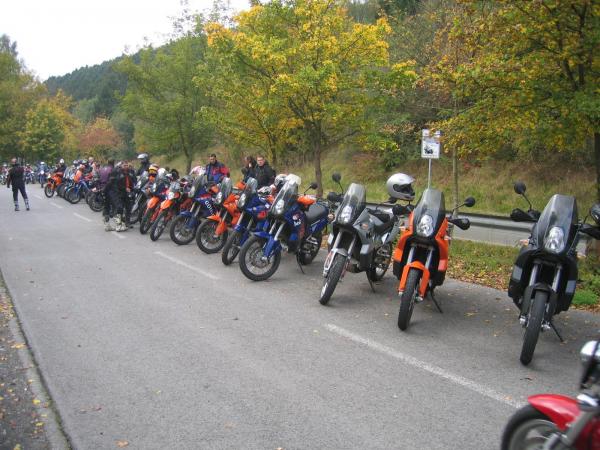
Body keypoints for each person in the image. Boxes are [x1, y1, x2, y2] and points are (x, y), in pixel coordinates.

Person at [103, 161, 135, 232]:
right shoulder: (117, 172)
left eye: (127, 165)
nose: (126, 166)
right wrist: (105, 191)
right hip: (114, 192)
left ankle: (122, 224)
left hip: (121, 192)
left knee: (124, 207)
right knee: (117, 208)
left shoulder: (130, 172)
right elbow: (113, 183)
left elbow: (132, 181)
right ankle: (117, 225)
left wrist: (131, 189)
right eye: (124, 165)